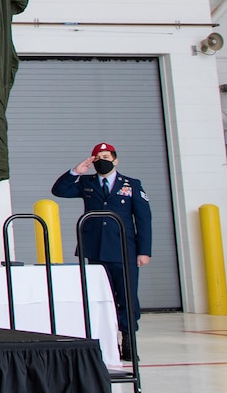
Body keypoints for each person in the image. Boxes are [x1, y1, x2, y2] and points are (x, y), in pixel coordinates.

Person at [51, 142, 152, 359]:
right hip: (96, 249)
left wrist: (144, 251)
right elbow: (59, 190)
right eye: (98, 157)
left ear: (115, 160)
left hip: (123, 249)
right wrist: (75, 172)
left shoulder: (131, 184)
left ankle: (128, 340)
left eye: (106, 156)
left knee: (126, 296)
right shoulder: (86, 182)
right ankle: (108, 340)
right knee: (102, 297)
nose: (103, 160)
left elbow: (143, 219)